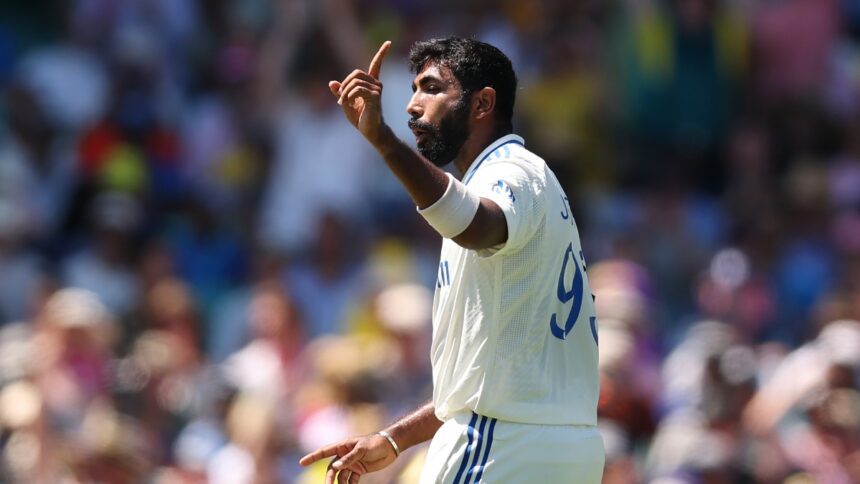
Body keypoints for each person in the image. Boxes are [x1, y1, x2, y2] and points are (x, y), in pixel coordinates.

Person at [299, 37, 604, 483]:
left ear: (483, 103)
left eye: (432, 88)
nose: (411, 106)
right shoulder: (534, 181)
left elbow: (478, 225)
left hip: (503, 448)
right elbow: (482, 380)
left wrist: (383, 141)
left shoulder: (508, 169)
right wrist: (395, 438)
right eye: (414, 89)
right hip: (567, 450)